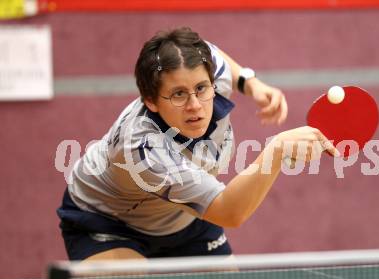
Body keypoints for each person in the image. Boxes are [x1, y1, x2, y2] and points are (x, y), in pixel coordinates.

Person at [57, 27, 338, 261]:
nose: (195, 106)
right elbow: (230, 211)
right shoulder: (142, 149)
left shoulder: (202, 70)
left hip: (182, 218)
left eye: (201, 89)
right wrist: (275, 151)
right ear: (151, 101)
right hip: (109, 220)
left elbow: (215, 53)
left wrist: (250, 83)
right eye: (178, 94)